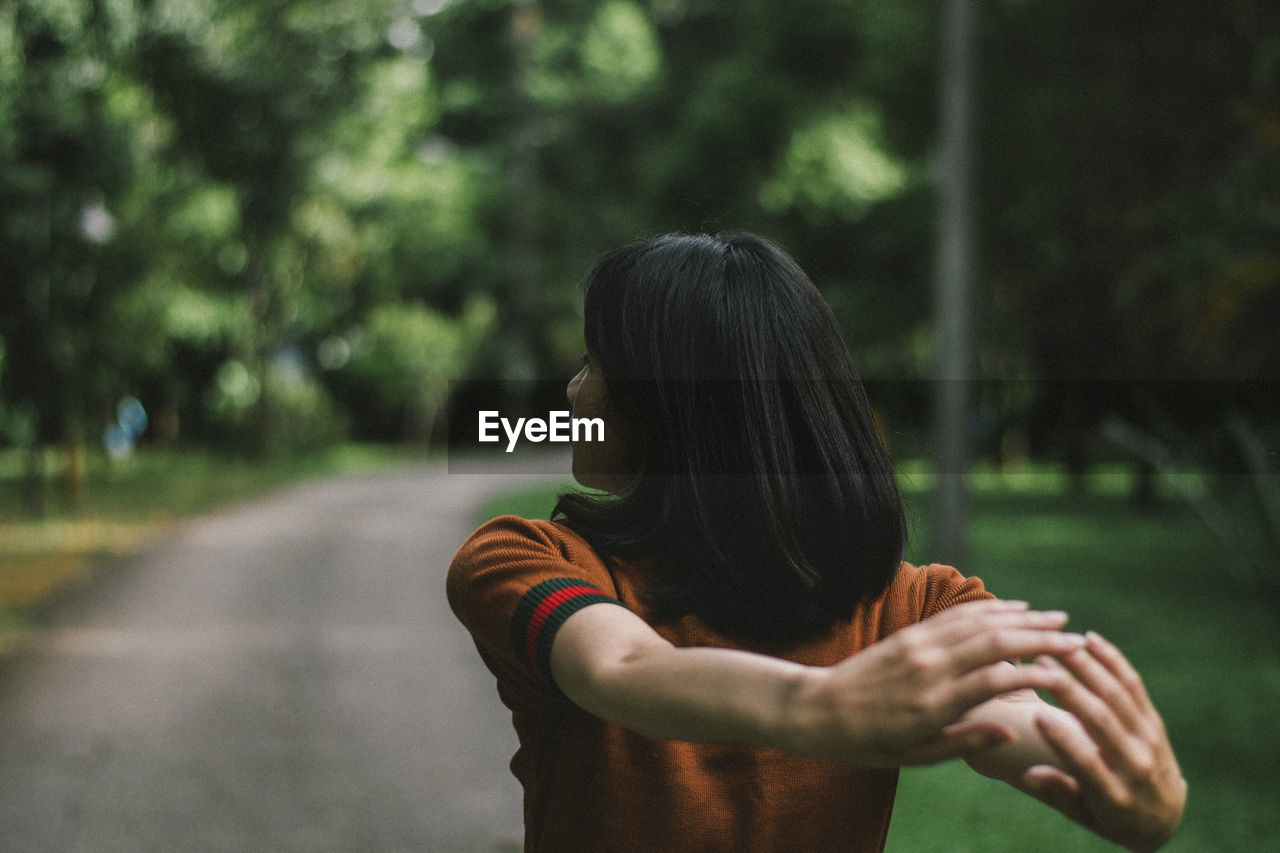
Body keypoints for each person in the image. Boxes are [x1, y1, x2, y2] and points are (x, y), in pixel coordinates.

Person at [447, 232, 1186, 852]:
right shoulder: (522, 558)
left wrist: (1131, 790)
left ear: (665, 402)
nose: (573, 389)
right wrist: (825, 705)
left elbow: (1023, 725)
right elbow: (620, 665)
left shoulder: (917, 606)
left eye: (594, 363)